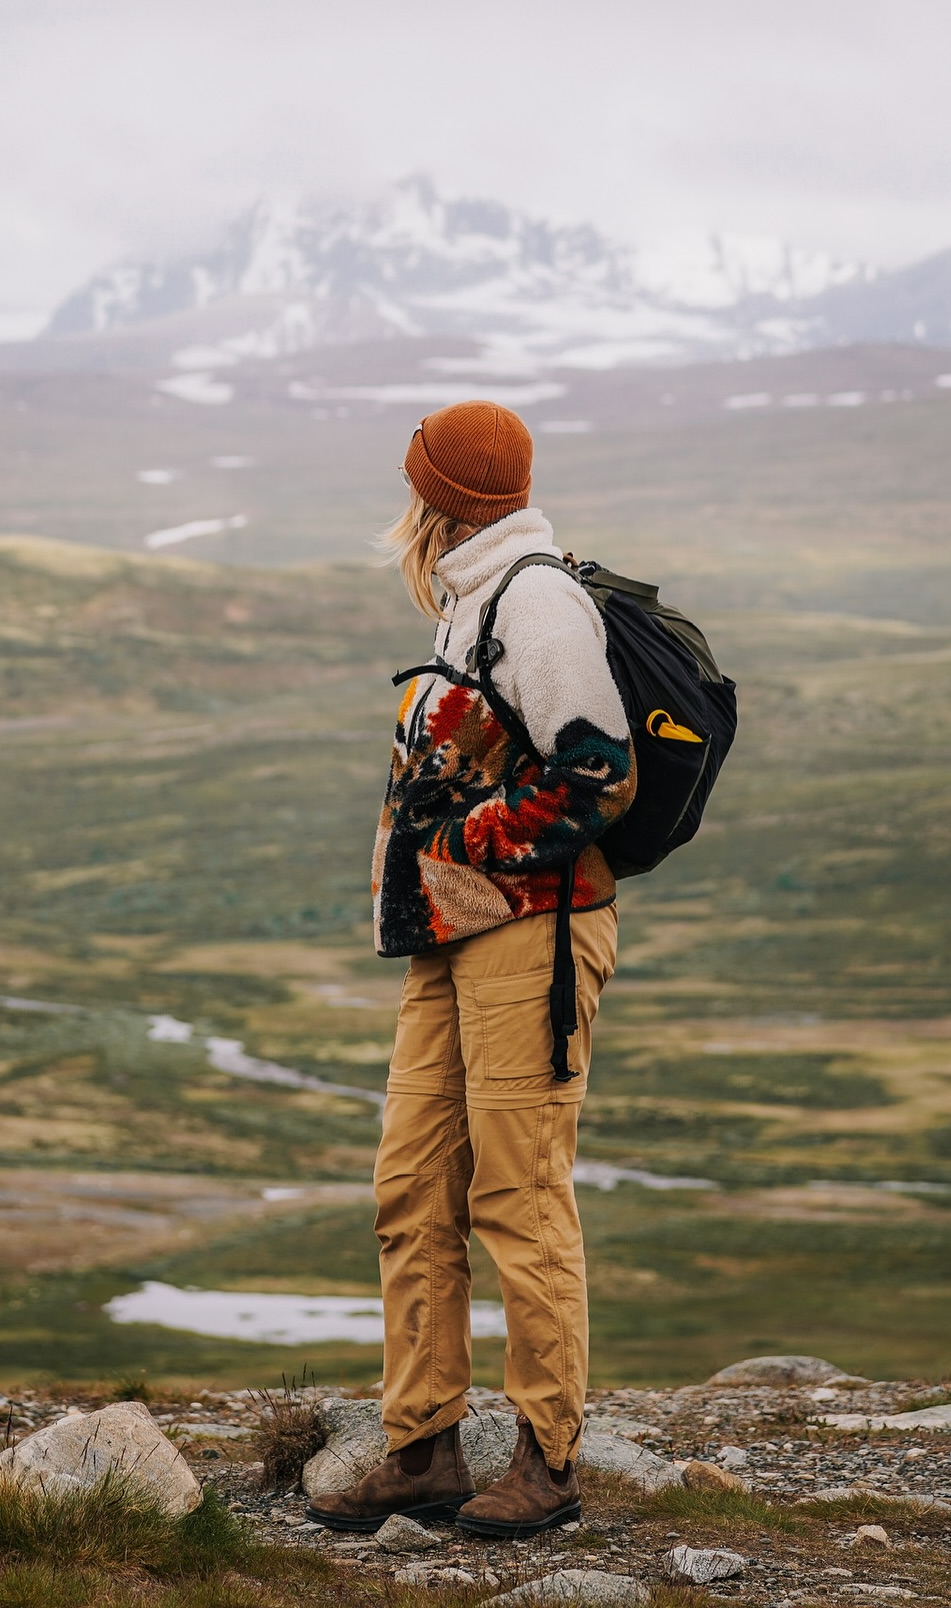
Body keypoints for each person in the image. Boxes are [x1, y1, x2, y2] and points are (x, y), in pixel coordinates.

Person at [307, 399, 636, 1539]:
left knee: (518, 1193)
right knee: (412, 1186)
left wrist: (458, 846)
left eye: (415, 488)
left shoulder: (535, 601)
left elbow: (599, 771)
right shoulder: (471, 599)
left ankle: (548, 1459)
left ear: (439, 499)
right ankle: (423, 1447)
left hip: (529, 937)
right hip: (452, 941)